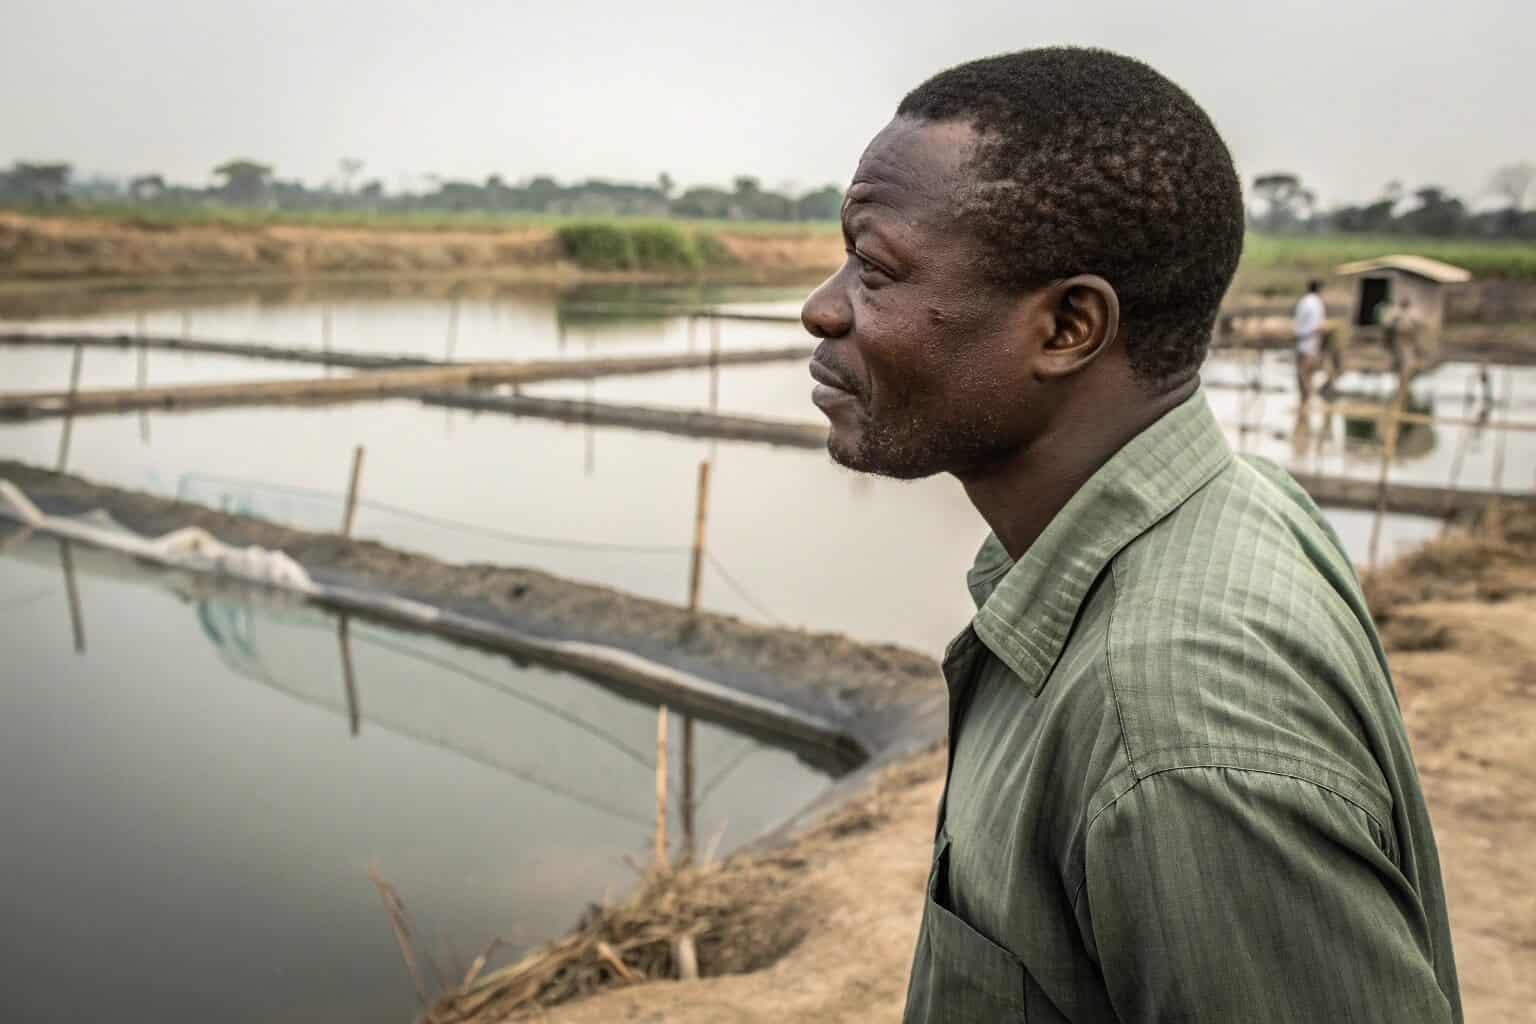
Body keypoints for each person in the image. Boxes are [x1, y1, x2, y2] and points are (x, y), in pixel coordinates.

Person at [802, 48, 1460, 1023]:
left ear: (1069, 327)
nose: (823, 306)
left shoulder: (1173, 734)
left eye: (878, 269)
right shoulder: (1245, 503)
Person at [1294, 278, 1327, 399]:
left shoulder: (1303, 301)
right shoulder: (1317, 303)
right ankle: (1306, 398)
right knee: (1307, 372)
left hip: (1302, 340)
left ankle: (1304, 398)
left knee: (1301, 371)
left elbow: (1298, 323)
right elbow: (1318, 325)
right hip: (1311, 341)